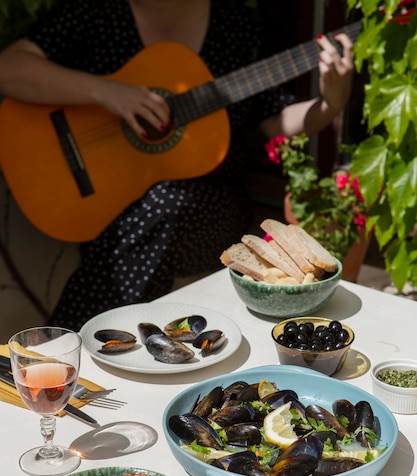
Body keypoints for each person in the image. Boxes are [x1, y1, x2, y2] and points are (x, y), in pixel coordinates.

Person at [0, 0, 353, 331]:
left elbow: (273, 119)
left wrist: (329, 103)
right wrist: (106, 91)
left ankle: (71, 343)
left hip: (208, 208)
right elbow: (10, 67)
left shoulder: (234, 24)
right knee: (152, 210)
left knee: (166, 202)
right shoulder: (99, 10)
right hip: (110, 208)